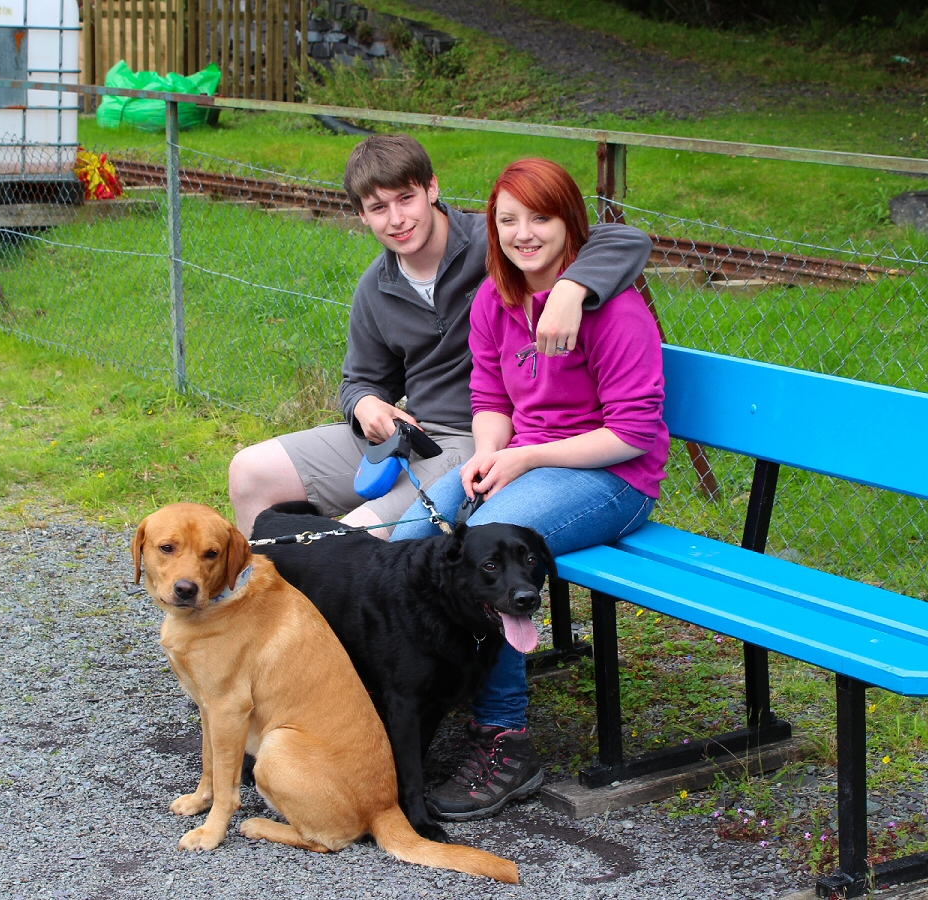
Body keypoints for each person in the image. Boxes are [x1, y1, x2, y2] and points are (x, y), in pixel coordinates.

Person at [391, 157, 669, 822]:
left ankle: (506, 740)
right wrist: (488, 454)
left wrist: (524, 459)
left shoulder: (617, 313)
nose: (523, 234)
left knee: (492, 554)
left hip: (612, 477)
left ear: (569, 223)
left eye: (539, 218)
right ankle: (421, 696)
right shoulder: (496, 299)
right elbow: (489, 394)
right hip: (527, 463)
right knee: (407, 541)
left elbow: (631, 434)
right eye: (508, 220)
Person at [228, 134, 652, 538]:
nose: (397, 219)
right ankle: (261, 603)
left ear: (432, 188)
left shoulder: (499, 247)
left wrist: (571, 287)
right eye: (378, 208)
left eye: (406, 198)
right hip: (415, 433)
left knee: (356, 537)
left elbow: (618, 239)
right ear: (361, 215)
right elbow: (360, 379)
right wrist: (367, 405)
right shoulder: (379, 288)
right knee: (249, 470)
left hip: (474, 438)